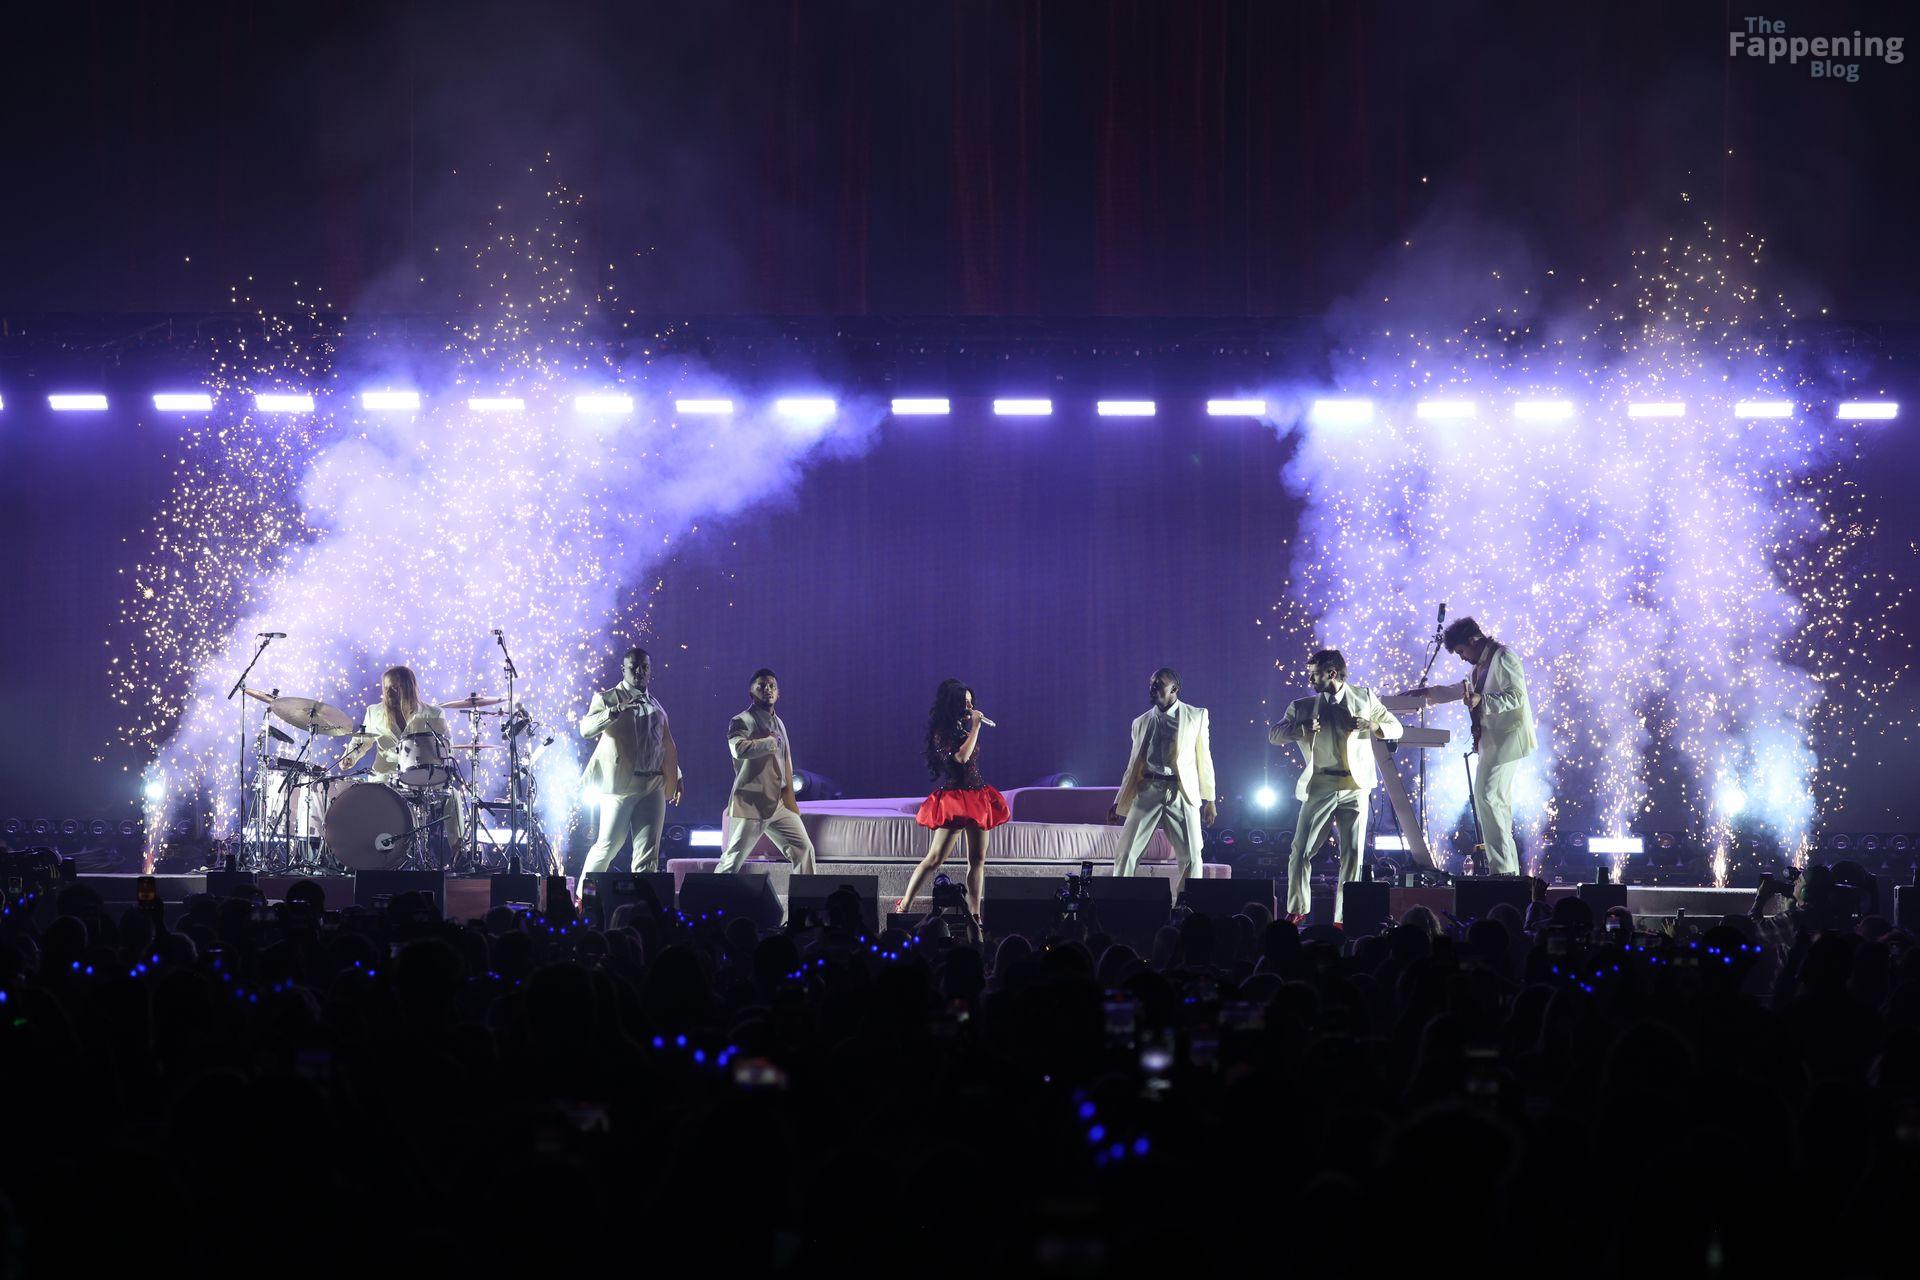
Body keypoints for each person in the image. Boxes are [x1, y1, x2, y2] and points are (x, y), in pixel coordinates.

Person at [1269, 649, 1402, 924]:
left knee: (1352, 855)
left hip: (1356, 786)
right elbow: (1274, 735)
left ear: (1332, 673)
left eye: (1315, 674)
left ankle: (1344, 917)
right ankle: (1298, 908)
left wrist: (1372, 724)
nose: (1310, 679)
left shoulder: (1364, 697)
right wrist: (1301, 728)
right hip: (1321, 784)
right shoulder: (1302, 706)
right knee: (1301, 850)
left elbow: (1396, 728)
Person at [1424, 617, 1536, 876]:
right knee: (1494, 802)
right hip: (1494, 741)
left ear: (1473, 640)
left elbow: (1516, 696)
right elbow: (1462, 689)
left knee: (1488, 798)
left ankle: (1503, 871)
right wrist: (1427, 694)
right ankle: (1506, 868)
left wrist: (1481, 700)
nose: (1462, 657)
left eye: (1461, 651)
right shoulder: (1482, 665)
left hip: (1506, 740)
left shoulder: (1503, 657)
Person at [894, 679, 1008, 919]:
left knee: (978, 859)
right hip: (954, 800)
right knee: (935, 858)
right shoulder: (942, 733)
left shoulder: (964, 730)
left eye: (971, 702)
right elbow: (961, 758)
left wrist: (972, 728)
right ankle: (903, 905)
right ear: (952, 704)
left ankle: (975, 915)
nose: (970, 707)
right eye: (965, 702)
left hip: (977, 796)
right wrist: (976, 727)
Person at [1107, 667, 1217, 899]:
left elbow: (1204, 759)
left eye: (1159, 684)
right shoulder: (1140, 722)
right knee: (1126, 852)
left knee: (1192, 856)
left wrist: (1210, 799)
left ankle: (1186, 908)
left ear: (1174, 689)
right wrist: (1118, 801)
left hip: (1181, 791)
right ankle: (1118, 902)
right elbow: (1132, 765)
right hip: (1148, 789)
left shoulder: (1196, 715)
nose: (1153, 687)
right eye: (1151, 683)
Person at [578, 646, 683, 879]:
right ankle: (585, 895)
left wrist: (676, 775)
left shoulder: (656, 705)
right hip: (619, 785)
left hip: (653, 784)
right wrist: (615, 711)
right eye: (633, 667)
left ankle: (642, 899)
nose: (639, 672)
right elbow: (585, 729)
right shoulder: (607, 698)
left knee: (648, 853)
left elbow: (662, 744)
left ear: (650, 670)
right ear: (623, 670)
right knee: (608, 845)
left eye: (644, 667)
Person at [336, 664, 464, 847]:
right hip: (385, 778)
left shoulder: (434, 713)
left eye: (395, 688)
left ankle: (459, 852)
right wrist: (350, 757)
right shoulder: (374, 712)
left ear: (409, 687)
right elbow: (360, 741)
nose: (389, 693)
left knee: (452, 795)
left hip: (420, 779)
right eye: (386, 688)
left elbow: (448, 749)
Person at [715, 669, 816, 876]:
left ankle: (805, 896)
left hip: (780, 803)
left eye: (772, 686)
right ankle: (709, 895)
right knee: (732, 859)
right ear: (751, 693)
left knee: (804, 849)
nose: (768, 689)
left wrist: (788, 794)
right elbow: (738, 749)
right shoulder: (741, 720)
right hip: (753, 802)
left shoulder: (780, 723)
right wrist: (769, 742)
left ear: (779, 693)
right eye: (761, 686)